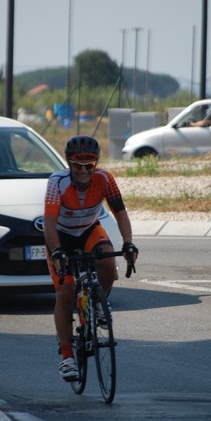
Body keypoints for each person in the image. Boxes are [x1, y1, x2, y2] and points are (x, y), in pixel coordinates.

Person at [44, 135, 138, 382]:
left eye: (89, 165)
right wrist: (56, 250)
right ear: (69, 164)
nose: (84, 171)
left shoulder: (105, 179)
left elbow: (120, 213)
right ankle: (66, 356)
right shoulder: (57, 182)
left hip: (88, 229)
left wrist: (128, 244)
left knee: (108, 263)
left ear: (96, 163)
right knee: (65, 291)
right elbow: (50, 223)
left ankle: (97, 303)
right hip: (61, 235)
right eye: (77, 165)